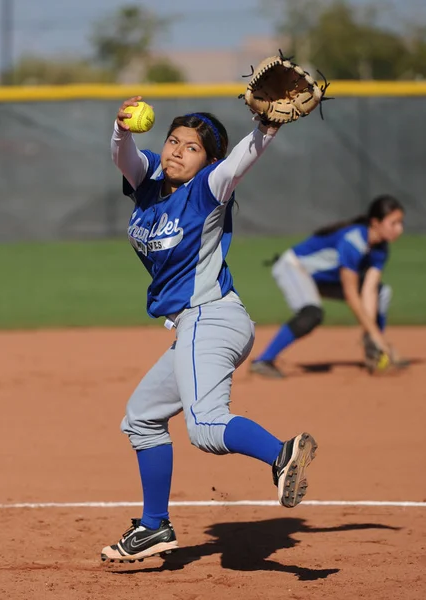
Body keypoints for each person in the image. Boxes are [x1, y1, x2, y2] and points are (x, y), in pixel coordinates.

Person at [100, 96, 317, 563]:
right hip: (197, 325)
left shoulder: (209, 188)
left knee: (204, 427)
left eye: (192, 147)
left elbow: (240, 161)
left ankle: (281, 454)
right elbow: (124, 156)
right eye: (174, 141)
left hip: (210, 317)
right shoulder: (151, 179)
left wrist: (266, 127)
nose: (178, 152)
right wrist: (121, 128)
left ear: (208, 161)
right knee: (142, 416)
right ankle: (155, 526)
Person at [250, 195, 405, 378]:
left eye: (400, 223)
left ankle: (374, 351)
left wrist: (372, 336)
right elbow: (351, 294)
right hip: (294, 268)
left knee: (381, 293)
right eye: (393, 223)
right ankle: (263, 361)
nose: (399, 229)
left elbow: (369, 291)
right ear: (375, 223)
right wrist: (378, 337)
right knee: (312, 313)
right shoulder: (353, 241)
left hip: (324, 280)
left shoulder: (381, 248)